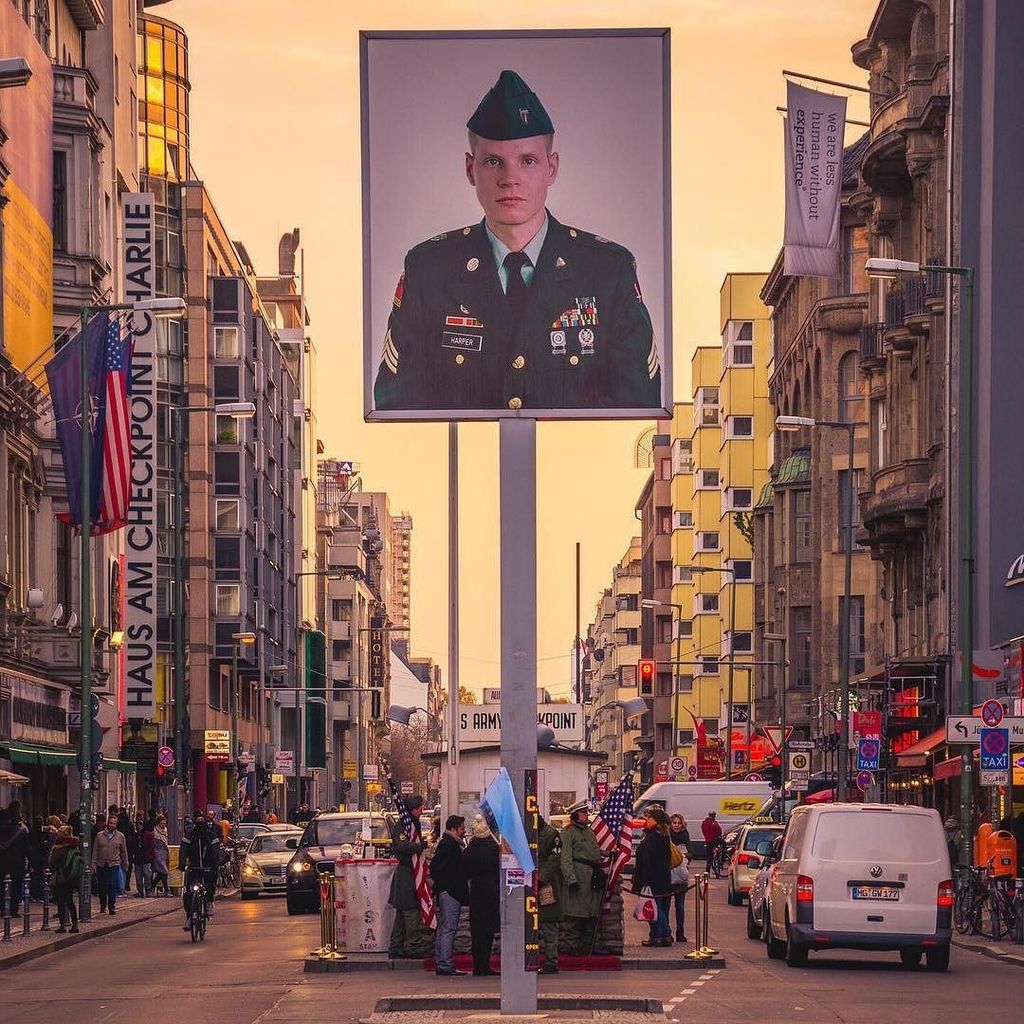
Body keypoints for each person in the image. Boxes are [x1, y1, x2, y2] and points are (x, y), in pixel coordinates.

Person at [373, 69, 661, 414]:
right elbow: (397, 409)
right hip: (467, 467)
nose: (510, 179)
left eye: (527, 161)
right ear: (470, 169)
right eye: (494, 161)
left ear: (551, 168)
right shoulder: (429, 271)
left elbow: (637, 407)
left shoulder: (607, 271)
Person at [387, 795, 434, 960]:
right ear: (412, 810)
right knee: (410, 910)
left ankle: (396, 945)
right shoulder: (402, 826)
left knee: (402, 911)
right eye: (419, 808)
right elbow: (401, 845)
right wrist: (419, 846)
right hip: (406, 872)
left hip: (411, 870)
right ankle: (412, 944)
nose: (421, 811)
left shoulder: (414, 825)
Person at [559, 800, 603, 956]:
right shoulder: (568, 833)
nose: (586, 815)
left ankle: (587, 945)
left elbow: (593, 850)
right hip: (578, 877)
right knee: (574, 915)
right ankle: (571, 946)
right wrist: (571, 879)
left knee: (590, 913)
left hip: (591, 877)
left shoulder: (588, 832)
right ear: (575, 815)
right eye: (583, 813)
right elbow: (565, 858)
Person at [430, 814, 469, 976]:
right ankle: (445, 963)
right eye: (461, 828)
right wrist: (447, 885)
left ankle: (442, 961)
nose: (464, 831)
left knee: (444, 928)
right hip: (450, 892)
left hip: (448, 890)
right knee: (449, 928)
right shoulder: (448, 845)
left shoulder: (449, 843)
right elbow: (436, 868)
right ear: (453, 829)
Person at [462, 815, 499, 976]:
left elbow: (465, 870)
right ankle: (485, 964)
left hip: (476, 891)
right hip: (490, 891)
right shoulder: (493, 848)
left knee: (477, 931)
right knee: (488, 930)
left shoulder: (469, 850)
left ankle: (478, 965)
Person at [633, 806, 673, 947]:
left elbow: (648, 862)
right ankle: (663, 935)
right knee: (659, 909)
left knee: (654, 909)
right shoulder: (662, 836)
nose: (646, 819)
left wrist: (644, 881)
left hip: (652, 880)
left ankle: (660, 935)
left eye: (649, 817)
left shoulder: (653, 838)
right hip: (662, 879)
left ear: (655, 820)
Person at [179, 812, 222, 929]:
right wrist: (182, 863)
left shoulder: (211, 836)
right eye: (197, 821)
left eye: (201, 821)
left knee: (210, 883)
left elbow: (216, 851)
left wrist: (215, 864)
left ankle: (209, 902)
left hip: (208, 866)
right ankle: (189, 917)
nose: (200, 823)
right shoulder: (190, 836)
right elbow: (183, 849)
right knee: (189, 892)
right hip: (194, 867)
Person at [536, 814, 564, 974]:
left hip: (547, 887)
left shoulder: (552, 835)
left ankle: (551, 960)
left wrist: (541, 879)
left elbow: (554, 860)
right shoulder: (528, 833)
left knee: (549, 923)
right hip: (530, 883)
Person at [91, 812, 128, 915]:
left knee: (112, 885)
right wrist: (93, 863)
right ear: (107, 823)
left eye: (114, 823)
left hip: (114, 864)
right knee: (102, 887)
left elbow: (124, 851)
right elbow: (95, 851)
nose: (112, 825)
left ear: (116, 825)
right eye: (110, 823)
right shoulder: (99, 835)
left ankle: (111, 906)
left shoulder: (120, 836)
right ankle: (103, 906)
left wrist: (125, 863)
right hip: (101, 864)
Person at [48, 825, 83, 933]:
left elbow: (52, 862)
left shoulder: (59, 847)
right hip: (70, 878)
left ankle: (62, 925)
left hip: (60, 876)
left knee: (60, 901)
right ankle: (75, 924)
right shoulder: (73, 846)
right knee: (69, 901)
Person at [0, 808, 29, 916]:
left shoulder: (2, 830)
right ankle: (13, 910)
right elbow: (27, 848)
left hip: (2, 862)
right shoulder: (21, 831)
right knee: (16, 887)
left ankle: (3, 908)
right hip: (17, 863)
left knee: (3, 886)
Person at [669, 814, 690, 943]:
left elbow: (691, 852)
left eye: (679, 823)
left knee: (680, 907)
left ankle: (680, 932)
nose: (676, 825)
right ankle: (668, 932)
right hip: (669, 875)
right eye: (674, 822)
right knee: (665, 906)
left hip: (681, 876)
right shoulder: (667, 836)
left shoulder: (685, 835)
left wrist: (684, 855)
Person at [28, 816, 53, 901]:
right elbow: (47, 844)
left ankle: (35, 894)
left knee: (35, 876)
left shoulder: (31, 832)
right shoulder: (44, 833)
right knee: (41, 876)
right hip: (41, 857)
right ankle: (40, 894)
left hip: (34, 857)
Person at [135, 815, 156, 897]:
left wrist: (150, 856)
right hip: (138, 859)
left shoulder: (148, 834)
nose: (138, 826)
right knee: (138, 877)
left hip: (146, 859)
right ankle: (140, 891)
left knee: (147, 875)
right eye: (137, 824)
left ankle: (148, 890)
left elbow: (152, 845)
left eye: (140, 824)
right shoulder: (135, 835)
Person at [152, 814, 170, 896]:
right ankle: (167, 890)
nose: (163, 825)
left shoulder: (165, 831)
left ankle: (152, 885)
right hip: (158, 854)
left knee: (161, 872)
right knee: (164, 872)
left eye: (164, 823)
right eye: (162, 823)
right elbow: (154, 843)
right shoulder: (155, 831)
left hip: (164, 853)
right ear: (158, 823)